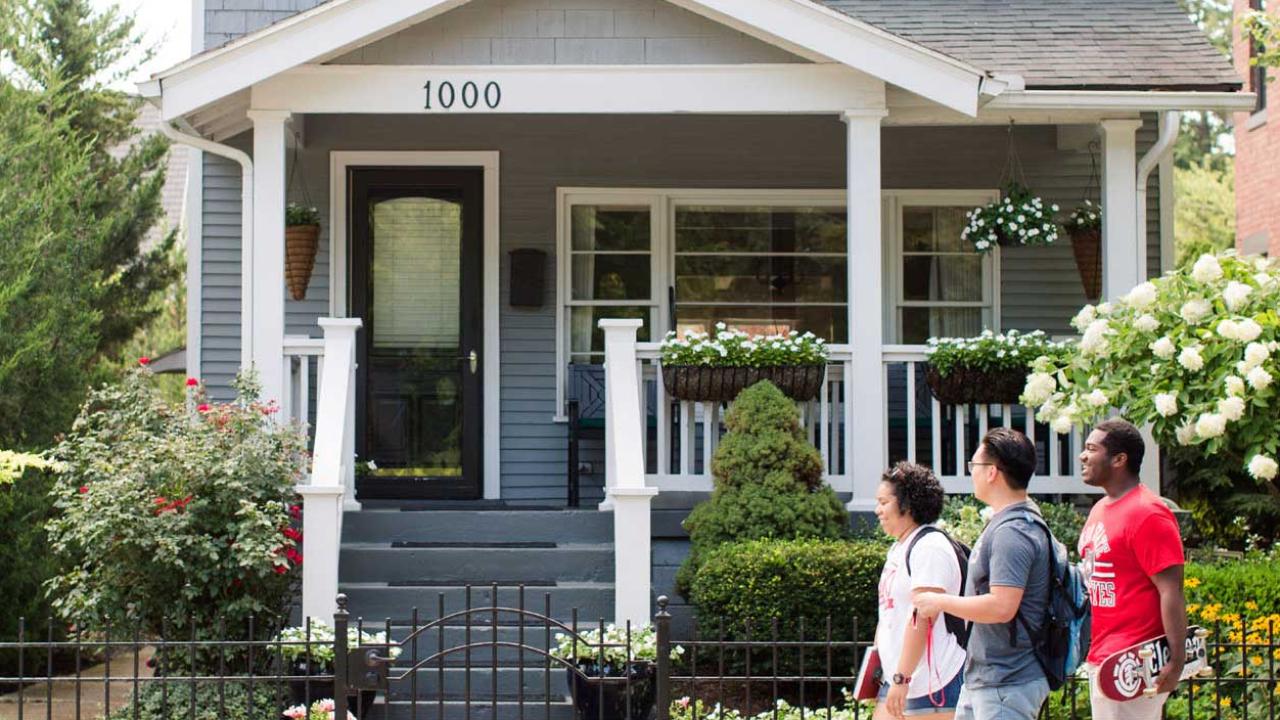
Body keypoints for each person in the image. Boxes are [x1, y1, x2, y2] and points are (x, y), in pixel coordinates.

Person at [913, 428, 1051, 720]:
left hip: (1007, 681)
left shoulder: (1012, 532)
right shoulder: (1015, 522)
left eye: (973, 466)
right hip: (990, 679)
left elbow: (1002, 606)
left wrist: (939, 602)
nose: (971, 473)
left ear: (991, 472)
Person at [1077, 419, 1186, 720]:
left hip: (1134, 661)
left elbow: (1171, 589)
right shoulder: (1100, 509)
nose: (1082, 456)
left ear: (1119, 459)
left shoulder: (1148, 513)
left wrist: (1176, 661)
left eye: (1091, 449)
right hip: (1104, 656)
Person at [873, 462, 966, 720]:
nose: (877, 510)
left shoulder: (929, 547)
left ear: (908, 504)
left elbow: (922, 616)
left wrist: (901, 677)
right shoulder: (899, 548)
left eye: (883, 502)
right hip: (902, 679)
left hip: (932, 682)